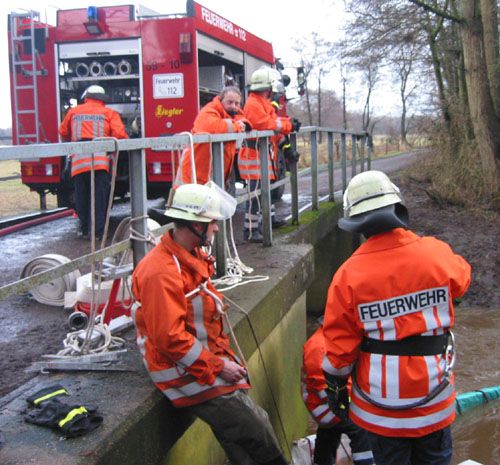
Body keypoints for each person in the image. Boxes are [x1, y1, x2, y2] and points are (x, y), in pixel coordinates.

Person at [131, 181, 288, 465]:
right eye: (212, 222)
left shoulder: (190, 256)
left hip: (200, 361)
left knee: (239, 434)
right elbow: (169, 339)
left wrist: (219, 359)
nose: (216, 228)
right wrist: (218, 366)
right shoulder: (161, 272)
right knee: (256, 428)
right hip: (180, 369)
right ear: (194, 225)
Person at [321, 170, 472, 465]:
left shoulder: (348, 276)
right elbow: (462, 281)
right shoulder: (436, 253)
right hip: (435, 401)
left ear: (356, 223)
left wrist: (336, 392)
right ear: (397, 208)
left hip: (381, 413)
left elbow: (339, 350)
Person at [237, 66, 301, 242]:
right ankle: (250, 232)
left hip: (263, 157)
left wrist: (287, 144)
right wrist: (289, 126)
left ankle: (266, 222)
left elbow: (274, 124)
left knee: (266, 192)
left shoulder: (262, 103)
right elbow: (265, 124)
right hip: (254, 158)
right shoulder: (253, 104)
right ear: (268, 88)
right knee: (255, 197)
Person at [59, 85, 128, 240]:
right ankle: (97, 233)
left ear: (86, 97)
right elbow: (120, 135)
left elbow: (63, 132)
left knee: (82, 197)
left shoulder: (73, 112)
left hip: (78, 164)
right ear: (102, 99)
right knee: (99, 198)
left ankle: (84, 230)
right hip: (99, 164)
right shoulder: (109, 113)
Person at [302, 325, 375, 465]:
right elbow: (322, 385)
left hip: (330, 402)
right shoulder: (318, 345)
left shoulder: (334, 339)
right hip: (325, 405)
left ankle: (321, 461)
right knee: (360, 429)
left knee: (328, 436)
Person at [174, 86, 251, 189]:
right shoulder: (209, 111)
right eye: (230, 102)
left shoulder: (230, 114)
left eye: (237, 103)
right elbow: (215, 127)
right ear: (221, 100)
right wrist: (237, 126)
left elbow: (243, 118)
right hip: (193, 179)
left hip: (207, 179)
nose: (233, 106)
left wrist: (244, 124)